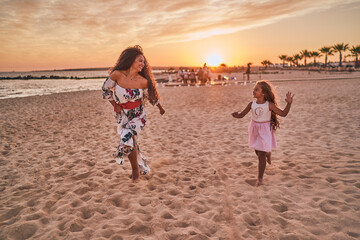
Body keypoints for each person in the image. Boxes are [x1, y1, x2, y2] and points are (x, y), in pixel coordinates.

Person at [102, 45, 165, 182]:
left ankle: (135, 171)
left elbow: (151, 97)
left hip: (138, 115)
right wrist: (115, 105)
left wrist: (160, 107)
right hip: (123, 115)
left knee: (127, 138)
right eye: (139, 60)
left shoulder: (143, 81)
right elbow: (105, 89)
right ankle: (141, 167)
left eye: (143, 62)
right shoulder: (117, 75)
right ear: (131, 60)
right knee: (131, 142)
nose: (142, 64)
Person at [232, 80, 294, 187]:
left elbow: (283, 113)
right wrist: (236, 115)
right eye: (254, 89)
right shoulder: (252, 104)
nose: (254, 91)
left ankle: (260, 179)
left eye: (257, 89)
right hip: (255, 129)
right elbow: (242, 114)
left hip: (265, 129)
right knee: (258, 151)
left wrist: (289, 103)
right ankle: (268, 153)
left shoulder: (269, 105)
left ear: (263, 93)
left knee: (261, 155)